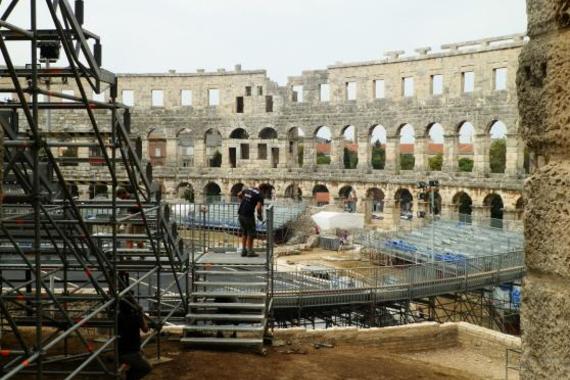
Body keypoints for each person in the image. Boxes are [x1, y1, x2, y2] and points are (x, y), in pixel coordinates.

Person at [117, 273, 152, 380]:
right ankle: (130, 378)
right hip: (131, 352)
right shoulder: (135, 317)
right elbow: (145, 329)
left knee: (139, 359)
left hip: (121, 350)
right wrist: (141, 314)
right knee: (147, 367)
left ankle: (129, 373)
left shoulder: (119, 316)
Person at [237, 186, 264, 257]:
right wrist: (259, 215)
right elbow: (258, 207)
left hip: (240, 213)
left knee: (244, 232)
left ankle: (243, 250)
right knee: (250, 233)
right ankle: (250, 251)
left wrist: (242, 202)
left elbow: (239, 194)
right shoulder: (260, 194)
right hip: (248, 215)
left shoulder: (248, 189)